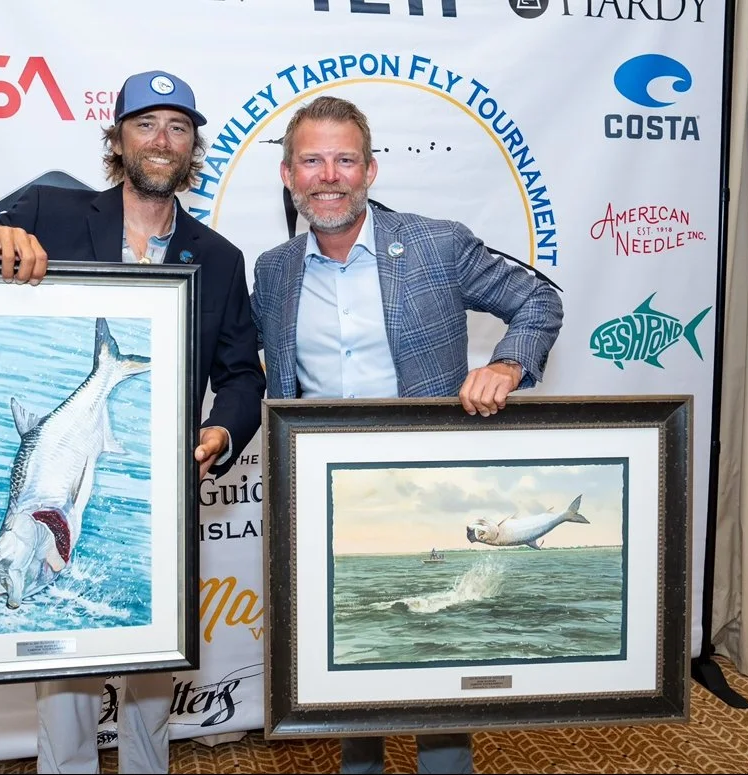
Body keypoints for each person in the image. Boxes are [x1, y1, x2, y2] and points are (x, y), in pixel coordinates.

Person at [0, 70, 266, 774]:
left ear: (194, 149)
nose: (162, 140)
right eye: (146, 125)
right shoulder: (49, 211)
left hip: (157, 496)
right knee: (60, 659)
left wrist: (221, 432)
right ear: (117, 140)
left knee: (152, 669)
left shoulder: (218, 258)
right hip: (59, 469)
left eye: (178, 128)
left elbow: (243, 373)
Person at [249, 96, 563, 774]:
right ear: (287, 175)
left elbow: (539, 299)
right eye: (311, 160)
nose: (328, 175)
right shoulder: (274, 270)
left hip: (423, 491)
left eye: (344, 159)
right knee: (351, 653)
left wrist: (507, 363)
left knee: (431, 662)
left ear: (371, 170)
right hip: (322, 500)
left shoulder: (436, 243)